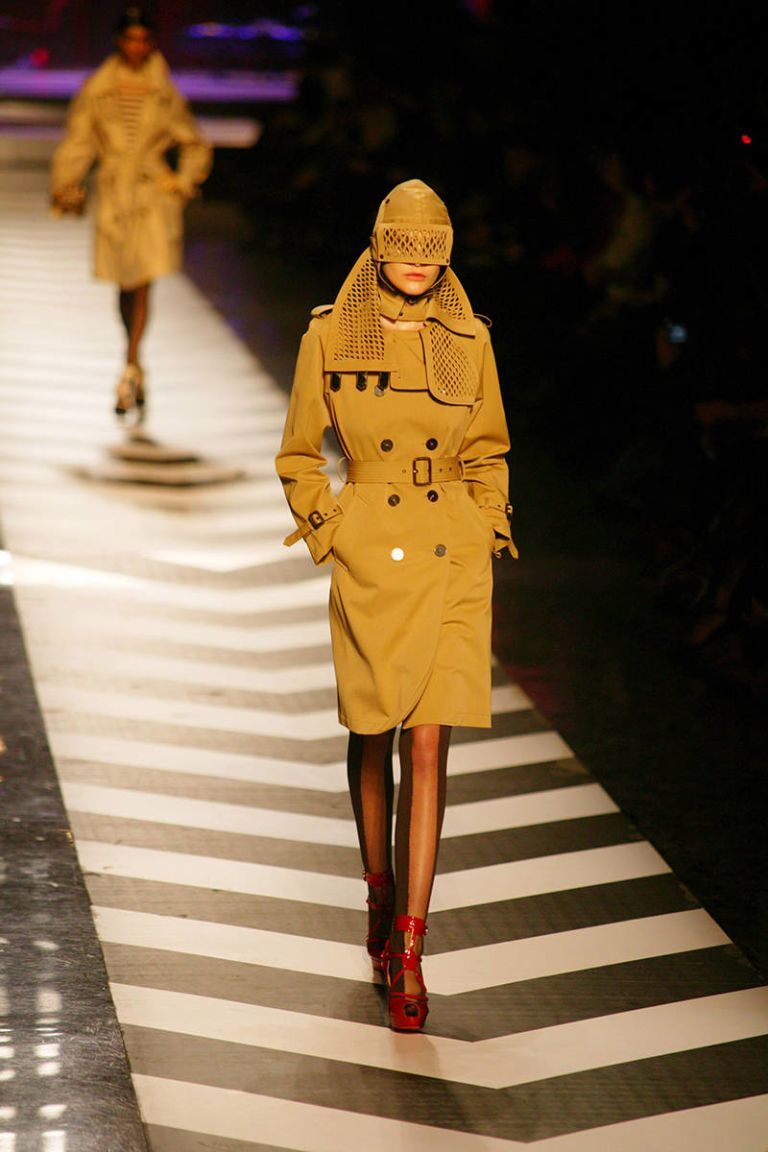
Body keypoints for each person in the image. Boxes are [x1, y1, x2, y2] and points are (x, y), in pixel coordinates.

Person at [276, 179, 517, 1031]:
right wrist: (332, 530)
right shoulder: (330, 335)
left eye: (431, 250)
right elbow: (299, 453)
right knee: (372, 732)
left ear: (446, 253)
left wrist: (487, 524)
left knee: (430, 743)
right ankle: (378, 892)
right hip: (373, 551)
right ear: (380, 248)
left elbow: (488, 448)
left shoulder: (471, 339)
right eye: (404, 248)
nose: (416, 264)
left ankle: (411, 949)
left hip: (453, 554)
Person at [50, 5, 212, 422]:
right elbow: (80, 139)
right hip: (115, 196)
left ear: (151, 43)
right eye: (130, 39)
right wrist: (67, 181)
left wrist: (182, 181)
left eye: (143, 40)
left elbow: (192, 141)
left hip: (151, 196)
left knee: (141, 282)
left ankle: (129, 365)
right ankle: (134, 362)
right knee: (124, 284)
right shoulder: (98, 88)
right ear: (118, 41)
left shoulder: (164, 91)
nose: (137, 47)